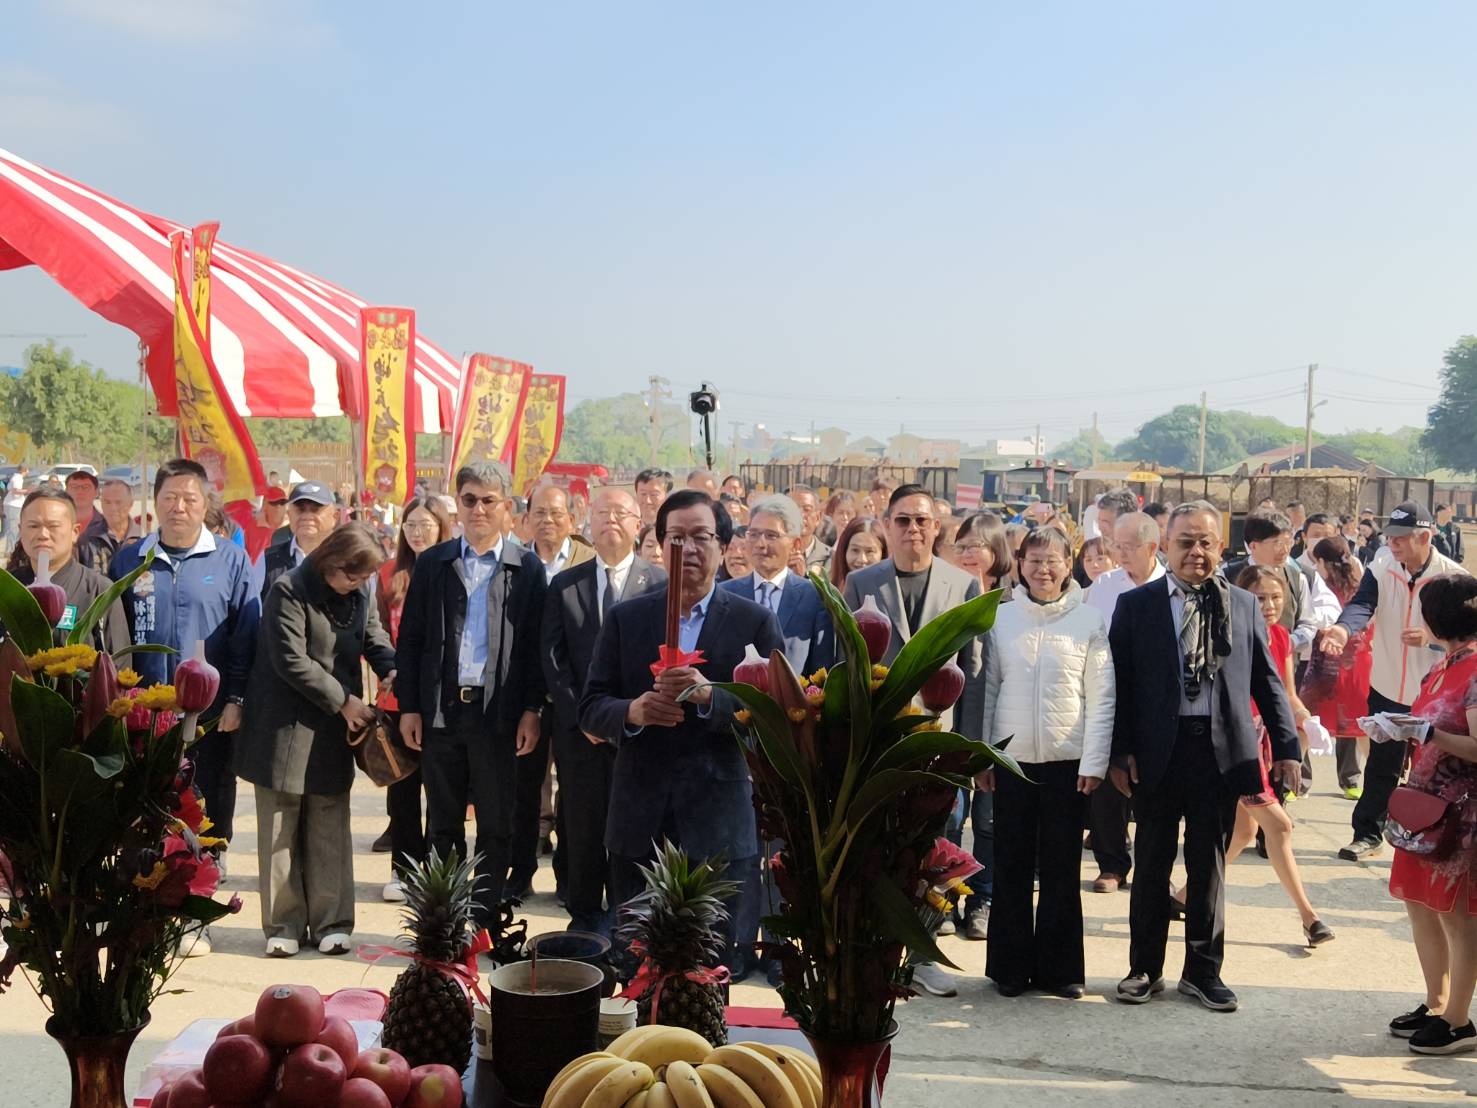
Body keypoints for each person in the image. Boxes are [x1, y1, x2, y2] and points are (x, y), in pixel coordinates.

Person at [579, 490, 784, 966]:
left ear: (723, 544)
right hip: (640, 817)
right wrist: (635, 711)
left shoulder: (754, 622)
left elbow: (776, 714)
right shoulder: (627, 617)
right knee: (637, 959)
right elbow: (591, 706)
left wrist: (711, 696)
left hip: (717, 822)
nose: (688, 549)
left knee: (708, 967)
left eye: (700, 537)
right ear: (657, 544)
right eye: (676, 538)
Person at [1110, 501, 1300, 1011]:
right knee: (1150, 862)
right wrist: (1119, 751)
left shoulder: (1241, 604)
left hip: (1220, 753)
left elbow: (1267, 680)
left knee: (1208, 865)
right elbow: (1120, 686)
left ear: (1221, 547)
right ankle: (1143, 969)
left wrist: (1287, 749)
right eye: (1185, 542)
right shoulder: (1137, 606)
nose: (1196, 552)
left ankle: (1203, 972)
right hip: (1156, 753)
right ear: (1164, 547)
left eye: (1206, 542)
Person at [841, 484, 985, 997]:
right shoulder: (861, 584)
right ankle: (873, 950)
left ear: (937, 527)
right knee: (878, 848)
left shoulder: (963, 586)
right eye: (902, 521)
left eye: (922, 521)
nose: (913, 530)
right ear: (885, 526)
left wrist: (970, 749)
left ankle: (921, 955)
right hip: (880, 745)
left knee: (935, 851)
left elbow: (976, 673)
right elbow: (847, 668)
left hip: (938, 744)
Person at [395, 461, 547, 927]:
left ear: (506, 507)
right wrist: (410, 707)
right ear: (455, 504)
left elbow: (536, 647)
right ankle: (443, 919)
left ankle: (483, 920)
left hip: (497, 716)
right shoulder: (434, 563)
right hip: (441, 712)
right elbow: (413, 640)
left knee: (496, 824)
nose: (478, 510)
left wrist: (531, 710)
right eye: (468, 500)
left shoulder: (527, 566)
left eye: (488, 501)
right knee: (442, 823)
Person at [235, 524, 395, 957]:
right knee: (281, 826)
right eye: (351, 576)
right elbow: (291, 660)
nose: (357, 585)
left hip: (332, 726)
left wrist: (390, 669)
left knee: (329, 822)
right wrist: (344, 701)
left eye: (364, 579)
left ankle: (332, 922)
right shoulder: (287, 590)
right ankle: (283, 925)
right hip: (283, 722)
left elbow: (373, 637)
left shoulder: (361, 592)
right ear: (330, 561)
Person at [976, 527, 1114, 998]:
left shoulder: (1089, 621)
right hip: (1012, 762)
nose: (1043, 570)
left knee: (1061, 868)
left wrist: (1093, 762)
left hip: (1067, 763)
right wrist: (985, 756)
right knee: (1011, 864)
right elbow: (989, 689)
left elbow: (1102, 697)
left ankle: (1061, 972)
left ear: (1068, 563)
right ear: (1019, 563)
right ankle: (1009, 970)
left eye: (1053, 560)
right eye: (1034, 560)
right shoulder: (1000, 618)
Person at [1170, 566, 1333, 947]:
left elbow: (1285, 693)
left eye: (1277, 598)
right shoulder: (1225, 628)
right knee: (1280, 828)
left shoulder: (1280, 636)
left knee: (1244, 832)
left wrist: (1307, 723)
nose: (1271, 605)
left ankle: (1181, 897)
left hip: (1263, 742)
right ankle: (1310, 917)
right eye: (1261, 598)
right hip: (1237, 745)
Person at [543, 487, 665, 935]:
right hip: (580, 733)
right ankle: (584, 916)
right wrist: (588, 718)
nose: (610, 520)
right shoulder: (565, 584)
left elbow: (665, 657)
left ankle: (629, 917)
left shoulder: (659, 584)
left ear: (638, 525)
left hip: (638, 731)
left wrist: (624, 716)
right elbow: (553, 660)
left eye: (621, 513)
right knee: (582, 823)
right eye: (601, 512)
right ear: (588, 523)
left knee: (634, 827)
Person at [1320, 502, 1471, 861]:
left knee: (1435, 768)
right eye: (1390, 537)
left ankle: (1433, 836)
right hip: (1387, 684)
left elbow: (1469, 636)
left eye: (1401, 538)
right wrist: (1342, 630)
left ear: (1425, 536)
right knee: (1382, 763)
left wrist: (1431, 641)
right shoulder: (1382, 565)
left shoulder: (1454, 578)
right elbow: (1362, 605)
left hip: (1435, 693)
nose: (1394, 544)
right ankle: (1367, 833)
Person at [1386, 574, 1477, 1055]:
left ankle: (1459, 1020)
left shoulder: (1476, 667)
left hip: (1463, 814)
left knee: (1458, 917)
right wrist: (1397, 730)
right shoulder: (1443, 666)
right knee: (1420, 905)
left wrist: (1427, 734)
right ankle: (1437, 1003)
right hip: (1424, 808)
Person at [509, 482, 597, 900]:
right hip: (524, 693)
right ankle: (520, 870)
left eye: (557, 513)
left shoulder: (589, 562)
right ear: (525, 520)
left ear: (572, 519)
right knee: (525, 787)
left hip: (572, 692)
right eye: (539, 513)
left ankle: (569, 876)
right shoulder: (515, 563)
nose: (548, 521)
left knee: (575, 791)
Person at [375, 496, 454, 903]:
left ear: (442, 527)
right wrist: (389, 668)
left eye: (426, 524)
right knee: (402, 790)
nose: (418, 532)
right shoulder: (389, 573)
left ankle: (440, 871)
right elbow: (376, 632)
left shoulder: (452, 569)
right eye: (411, 525)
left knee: (442, 790)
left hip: (442, 700)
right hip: (396, 700)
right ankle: (403, 867)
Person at [1084, 511, 1167, 894]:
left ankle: (1155, 869)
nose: (1120, 554)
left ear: (1152, 547)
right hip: (1107, 692)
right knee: (1105, 779)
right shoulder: (1103, 585)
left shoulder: (1170, 585)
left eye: (1129, 547)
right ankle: (1112, 863)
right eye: (1116, 545)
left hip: (1153, 698)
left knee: (1151, 783)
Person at [720, 494, 831, 677]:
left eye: (771, 536)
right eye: (753, 534)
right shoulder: (726, 594)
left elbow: (822, 671)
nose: (760, 544)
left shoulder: (814, 597)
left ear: (795, 544)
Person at [6, 488, 129, 652]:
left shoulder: (99, 591)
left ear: (74, 532)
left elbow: (118, 664)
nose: (43, 534)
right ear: (21, 531)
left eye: (53, 526)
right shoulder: (7, 587)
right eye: (33, 526)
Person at [1300, 538, 1374, 798]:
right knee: (1363, 726)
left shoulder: (1318, 588)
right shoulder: (1363, 587)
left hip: (1327, 666)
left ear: (1320, 561)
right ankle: (1379, 783)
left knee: (1307, 722)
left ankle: (1288, 777)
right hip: (1360, 666)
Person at [263, 482, 340, 597]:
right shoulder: (267, 560)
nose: (306, 516)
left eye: (315, 509)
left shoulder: (348, 559)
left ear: (335, 517)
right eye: (300, 509)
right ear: (289, 515)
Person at [949, 512, 1014, 595]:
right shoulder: (944, 592)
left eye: (974, 545)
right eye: (960, 547)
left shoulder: (1017, 599)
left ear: (997, 548)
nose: (965, 554)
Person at [64, 470, 115, 573]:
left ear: (96, 492)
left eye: (85, 487)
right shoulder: (55, 525)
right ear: (66, 491)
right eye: (74, 487)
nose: (80, 491)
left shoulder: (108, 526)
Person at [829, 517, 887, 590]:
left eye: (869, 551)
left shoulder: (895, 594)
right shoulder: (826, 594)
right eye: (855, 550)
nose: (862, 559)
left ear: (883, 553)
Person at [785, 484, 832, 573]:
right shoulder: (769, 553)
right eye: (792, 508)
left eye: (807, 510)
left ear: (818, 517)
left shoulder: (831, 557)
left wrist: (802, 578)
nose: (800, 515)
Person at [99, 477, 144, 547]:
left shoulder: (143, 537)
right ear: (101, 504)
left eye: (118, 502)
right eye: (107, 502)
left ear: (130, 504)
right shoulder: (88, 539)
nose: (112, 508)